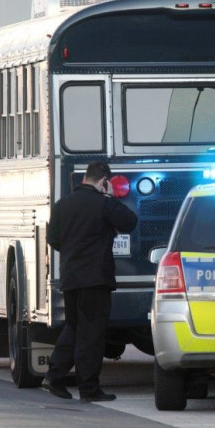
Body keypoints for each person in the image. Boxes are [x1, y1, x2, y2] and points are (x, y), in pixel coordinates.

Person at [43, 161, 138, 402]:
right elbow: (130, 222)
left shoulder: (62, 205)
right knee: (92, 334)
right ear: (104, 181)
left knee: (74, 328)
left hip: (71, 278)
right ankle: (89, 388)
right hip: (96, 279)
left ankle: (54, 377)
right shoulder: (104, 204)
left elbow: (53, 239)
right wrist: (111, 197)